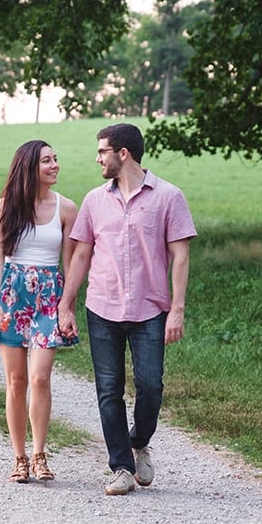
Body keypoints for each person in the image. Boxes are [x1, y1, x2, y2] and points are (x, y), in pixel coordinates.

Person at [57, 123, 196, 495]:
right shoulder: (94, 200)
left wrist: (177, 310)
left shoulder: (168, 196)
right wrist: (66, 305)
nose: (97, 158)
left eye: (102, 151)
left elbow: (180, 255)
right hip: (102, 307)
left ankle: (139, 443)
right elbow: (82, 253)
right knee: (108, 390)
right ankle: (120, 467)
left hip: (150, 309)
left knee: (151, 386)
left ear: (123, 153)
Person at [0, 139, 80, 483]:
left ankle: (40, 454)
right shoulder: (6, 207)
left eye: (56, 159)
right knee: (16, 381)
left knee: (40, 377)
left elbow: (71, 265)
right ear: (29, 167)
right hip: (12, 294)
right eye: (46, 161)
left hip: (48, 296)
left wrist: (66, 305)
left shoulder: (67, 208)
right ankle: (19, 458)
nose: (55, 165)